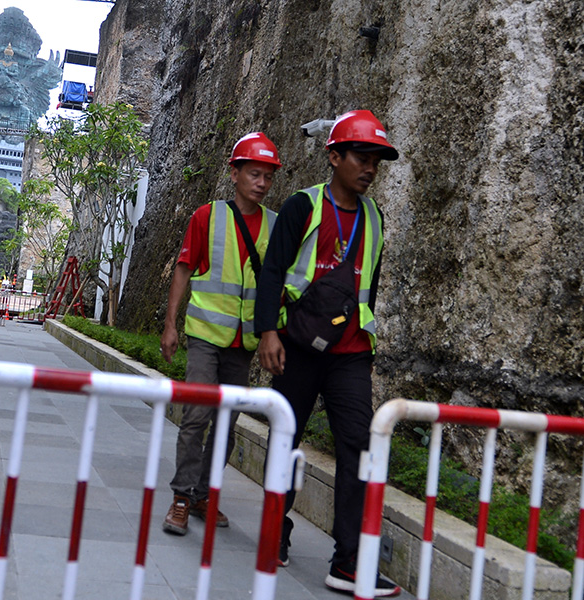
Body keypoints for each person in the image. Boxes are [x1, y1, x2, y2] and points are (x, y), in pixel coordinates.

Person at [254, 110, 401, 597]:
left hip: (351, 353)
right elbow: (273, 270)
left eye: (377, 159)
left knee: (359, 445)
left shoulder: (376, 219)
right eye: (362, 156)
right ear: (334, 157)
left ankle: (348, 562)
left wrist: (366, 348)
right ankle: (275, 533)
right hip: (297, 344)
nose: (370, 167)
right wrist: (268, 333)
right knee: (287, 440)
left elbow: (369, 292)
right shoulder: (304, 207)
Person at [160, 132, 281, 535]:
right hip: (205, 337)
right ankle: (180, 496)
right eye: (254, 174)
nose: (261, 183)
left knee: (228, 424)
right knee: (196, 415)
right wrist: (170, 324)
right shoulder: (207, 217)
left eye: (267, 176)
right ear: (234, 173)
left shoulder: (275, 227)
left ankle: (202, 495)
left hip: (243, 344)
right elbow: (183, 268)